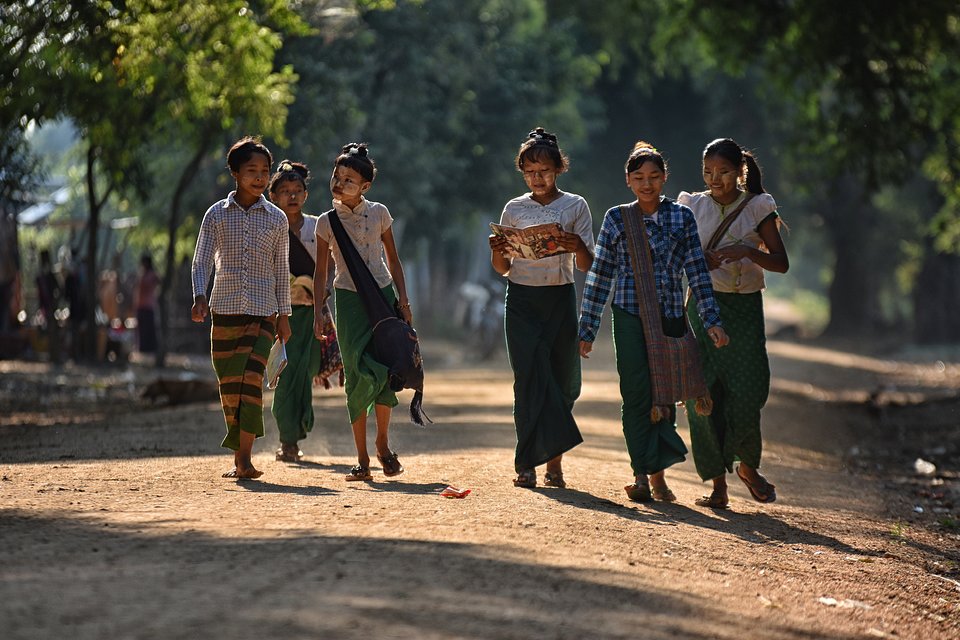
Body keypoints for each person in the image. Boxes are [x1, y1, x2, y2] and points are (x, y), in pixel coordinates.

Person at [578, 142, 729, 502]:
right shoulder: (617, 219)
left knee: (665, 393)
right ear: (628, 181)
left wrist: (711, 319)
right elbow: (600, 276)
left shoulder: (682, 218)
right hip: (629, 316)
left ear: (664, 178)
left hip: (671, 317)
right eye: (639, 178)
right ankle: (642, 474)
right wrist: (587, 328)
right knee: (635, 395)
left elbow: (696, 271)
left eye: (653, 177)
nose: (646, 184)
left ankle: (658, 476)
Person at [678, 138, 789, 508]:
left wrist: (746, 251)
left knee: (747, 391)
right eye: (708, 172)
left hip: (744, 310)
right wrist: (698, 261)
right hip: (703, 306)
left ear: (740, 171)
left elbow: (781, 262)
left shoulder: (758, 207)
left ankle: (746, 466)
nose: (715, 179)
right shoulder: (691, 206)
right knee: (702, 394)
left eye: (723, 172)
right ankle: (717, 486)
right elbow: (673, 255)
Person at [489, 127, 595, 489]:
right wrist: (496, 249)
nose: (538, 178)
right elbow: (503, 269)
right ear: (522, 173)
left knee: (562, 382)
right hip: (521, 300)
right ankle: (526, 463)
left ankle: (554, 464)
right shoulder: (514, 208)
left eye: (545, 171)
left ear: (559, 169)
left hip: (559, 298)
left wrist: (575, 243)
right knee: (529, 381)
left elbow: (585, 264)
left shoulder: (576, 206)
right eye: (530, 172)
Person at [191, 136, 292, 480]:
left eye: (265, 171)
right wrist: (198, 296)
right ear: (235, 172)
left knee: (250, 381)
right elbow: (201, 260)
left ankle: (245, 459)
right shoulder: (216, 215)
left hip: (264, 313)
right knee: (229, 384)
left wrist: (285, 316)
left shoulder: (277, 219)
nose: (260, 177)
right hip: (224, 311)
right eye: (252, 170)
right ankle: (240, 457)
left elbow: (282, 270)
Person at [313, 143, 412, 481]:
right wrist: (317, 313)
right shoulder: (326, 223)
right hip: (348, 302)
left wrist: (404, 301)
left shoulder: (381, 213)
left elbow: (394, 261)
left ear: (366, 186)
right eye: (336, 177)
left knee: (385, 368)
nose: (339, 184)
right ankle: (362, 460)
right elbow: (321, 273)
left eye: (349, 180)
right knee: (355, 372)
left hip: (383, 296)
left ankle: (382, 445)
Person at [268, 160, 341, 463]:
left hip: (314, 312)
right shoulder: (270, 226)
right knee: (287, 376)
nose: (292, 196)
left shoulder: (317, 225)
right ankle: (289, 439)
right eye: (285, 191)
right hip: (280, 313)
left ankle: (298, 429)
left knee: (306, 369)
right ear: (273, 196)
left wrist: (322, 293)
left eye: (297, 190)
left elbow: (333, 262)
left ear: (306, 195)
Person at [35, 249, 62, 363]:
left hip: (51, 307)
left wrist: (55, 302)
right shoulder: (41, 275)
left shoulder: (50, 275)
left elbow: (59, 289)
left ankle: (55, 355)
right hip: (45, 307)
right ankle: (51, 354)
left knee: (53, 332)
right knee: (48, 331)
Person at [135, 254, 159, 353]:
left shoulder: (151, 275)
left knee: (148, 328)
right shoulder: (142, 274)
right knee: (142, 328)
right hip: (140, 305)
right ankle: (142, 348)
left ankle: (150, 348)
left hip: (148, 305)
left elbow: (158, 281)